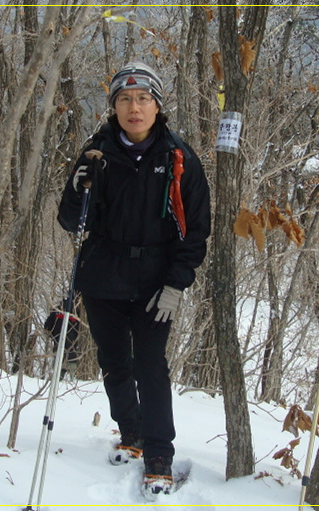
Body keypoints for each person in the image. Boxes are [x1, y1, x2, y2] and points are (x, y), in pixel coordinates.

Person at [57, 61, 211, 497]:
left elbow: (196, 228)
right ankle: (132, 433)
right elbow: (71, 221)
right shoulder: (96, 153)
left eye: (143, 98)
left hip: (155, 281)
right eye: (124, 99)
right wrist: (77, 188)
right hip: (103, 275)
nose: (134, 107)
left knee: (151, 365)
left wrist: (178, 283)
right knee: (113, 362)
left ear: (157, 105)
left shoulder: (178, 157)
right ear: (114, 106)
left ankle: (160, 453)